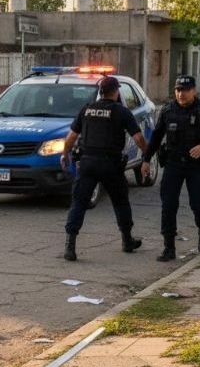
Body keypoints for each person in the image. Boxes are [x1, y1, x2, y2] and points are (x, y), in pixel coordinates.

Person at [61, 76, 147, 261]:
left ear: (100, 92)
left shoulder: (87, 110)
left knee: (79, 203)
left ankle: (70, 246)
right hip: (111, 164)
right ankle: (126, 240)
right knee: (120, 202)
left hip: (88, 162)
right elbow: (139, 139)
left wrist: (64, 154)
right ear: (116, 92)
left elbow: (70, 138)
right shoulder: (121, 112)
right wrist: (147, 156)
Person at [142, 74, 200, 261]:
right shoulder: (168, 110)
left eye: (185, 90)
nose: (181, 94)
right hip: (173, 164)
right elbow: (156, 137)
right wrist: (146, 159)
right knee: (168, 206)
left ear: (194, 91)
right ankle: (169, 247)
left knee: (199, 204)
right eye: (177, 90)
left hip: (196, 166)